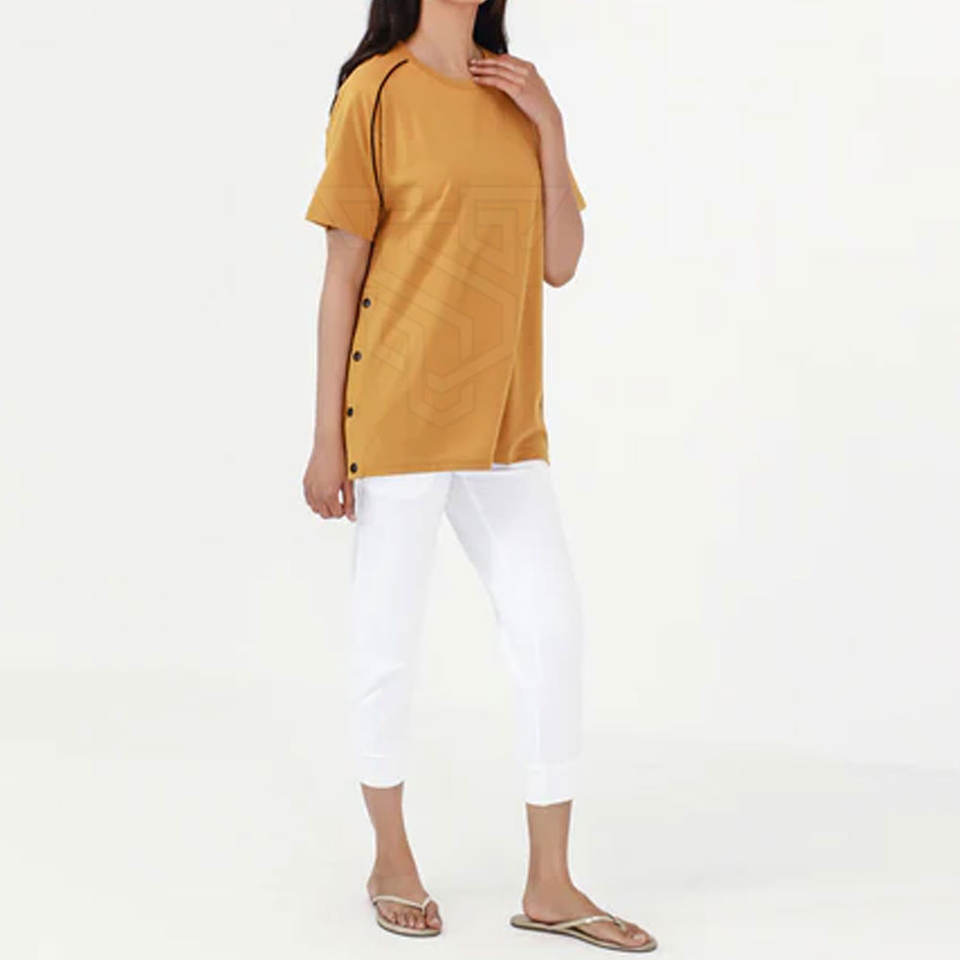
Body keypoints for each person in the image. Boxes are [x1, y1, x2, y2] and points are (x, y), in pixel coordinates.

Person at [302, 0, 656, 951]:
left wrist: (552, 125)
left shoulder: (517, 94)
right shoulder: (376, 92)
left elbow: (562, 264)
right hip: (398, 409)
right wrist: (326, 437)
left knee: (551, 630)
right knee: (387, 639)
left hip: (504, 419)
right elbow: (342, 272)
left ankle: (551, 884)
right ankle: (390, 859)